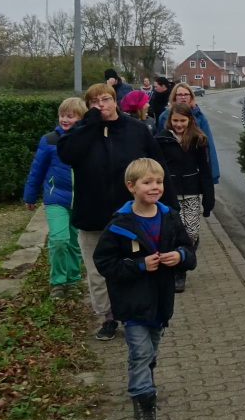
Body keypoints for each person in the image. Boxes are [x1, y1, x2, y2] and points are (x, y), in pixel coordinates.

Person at [57, 83, 177, 341]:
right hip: (93, 216)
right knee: (98, 271)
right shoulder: (81, 131)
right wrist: (89, 125)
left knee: (133, 266)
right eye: (94, 102)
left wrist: (170, 206)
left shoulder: (136, 130)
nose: (101, 105)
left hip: (132, 217)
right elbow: (66, 155)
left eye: (105, 99)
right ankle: (108, 317)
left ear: (115, 101)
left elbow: (158, 167)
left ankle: (136, 314)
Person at [93, 158, 196, 420]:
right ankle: (144, 410)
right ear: (131, 186)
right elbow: (104, 262)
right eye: (147, 182)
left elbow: (188, 251)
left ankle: (145, 380)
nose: (155, 187)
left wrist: (180, 257)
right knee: (139, 353)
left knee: (150, 350)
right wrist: (139, 265)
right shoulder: (120, 224)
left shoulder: (169, 217)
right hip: (132, 302)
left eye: (159, 182)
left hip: (160, 301)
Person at [22, 97, 86, 299]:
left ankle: (73, 280)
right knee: (59, 240)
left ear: (81, 118)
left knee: (75, 243)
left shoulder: (87, 139)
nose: (64, 119)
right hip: (55, 197)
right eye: (62, 115)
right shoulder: (49, 140)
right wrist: (30, 195)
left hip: (80, 199)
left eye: (70, 116)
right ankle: (58, 282)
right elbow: (37, 170)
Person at [155, 102, 214, 293]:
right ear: (169, 120)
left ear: (189, 120)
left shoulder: (198, 139)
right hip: (169, 195)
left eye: (182, 120)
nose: (179, 124)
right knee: (173, 234)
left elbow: (205, 170)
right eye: (175, 121)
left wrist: (208, 198)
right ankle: (178, 272)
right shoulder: (161, 139)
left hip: (191, 192)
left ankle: (186, 253)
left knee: (191, 233)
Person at [155, 83, 220, 184]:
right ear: (174, 97)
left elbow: (208, 146)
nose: (183, 97)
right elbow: (159, 142)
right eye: (180, 95)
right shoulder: (164, 116)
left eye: (186, 94)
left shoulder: (199, 117)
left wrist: (212, 175)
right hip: (171, 170)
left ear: (191, 97)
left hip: (193, 170)